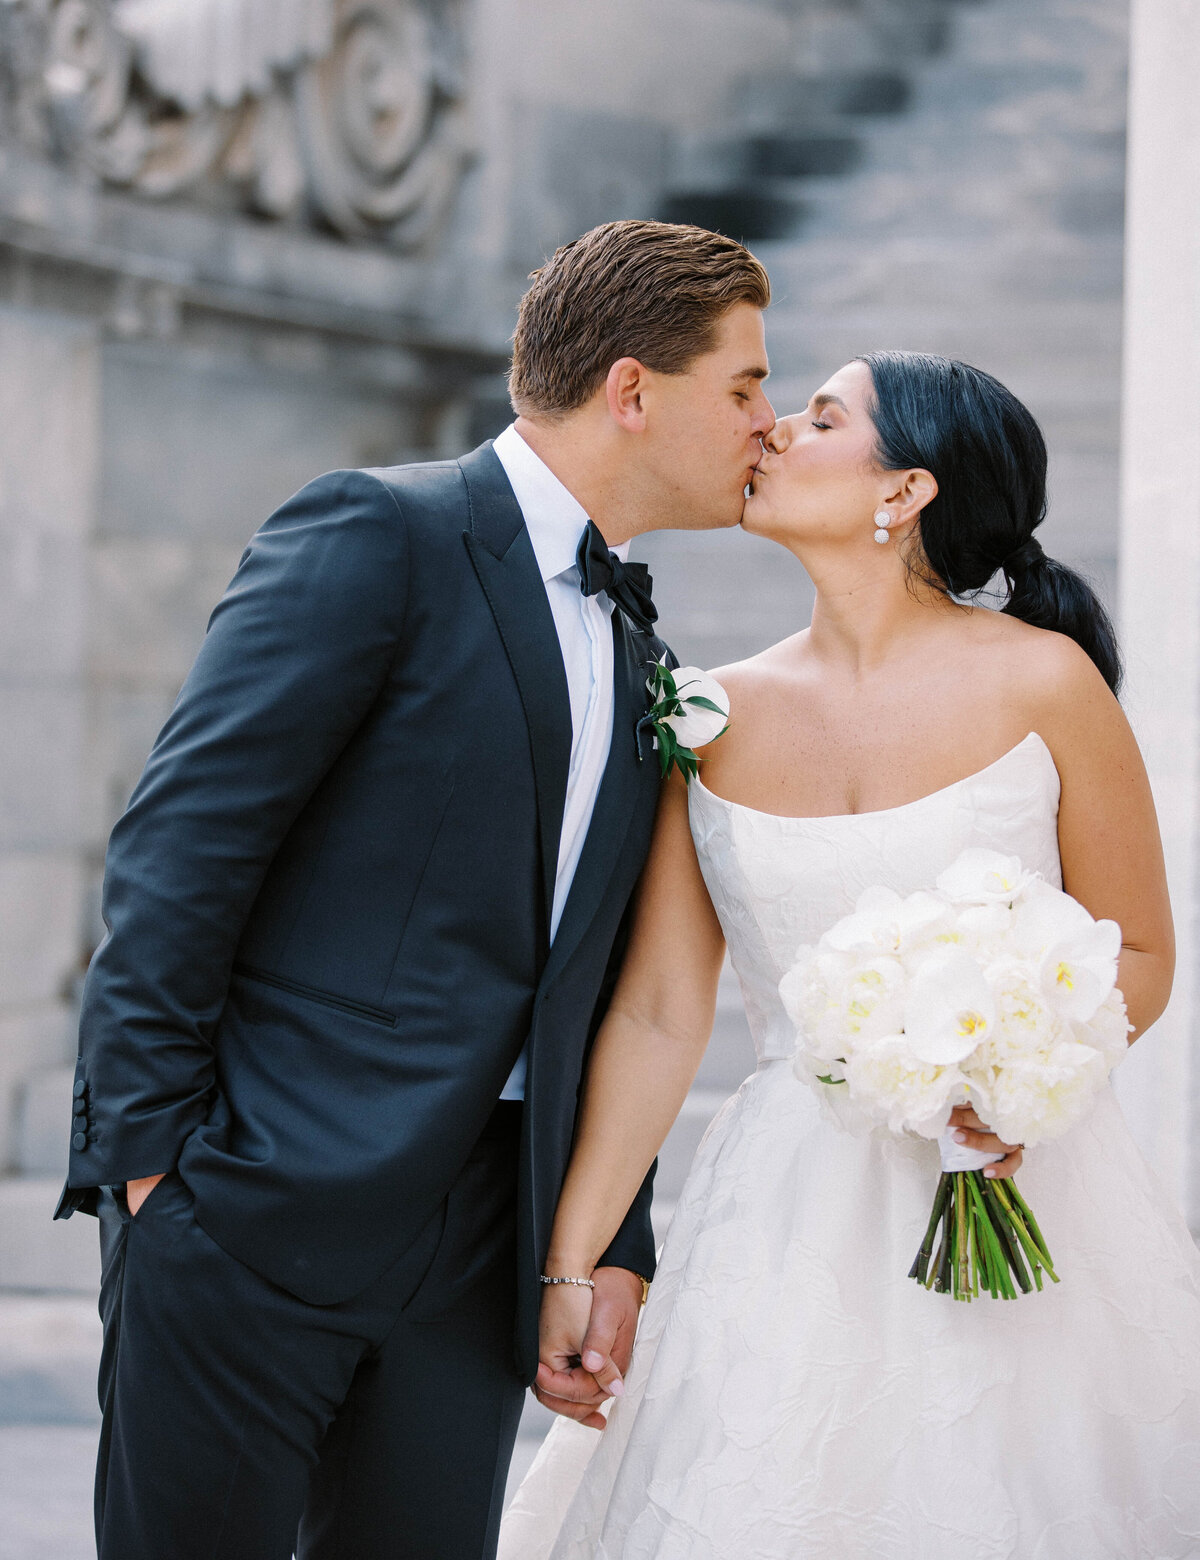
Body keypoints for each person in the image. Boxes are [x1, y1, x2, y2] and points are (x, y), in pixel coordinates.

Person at [53, 220, 776, 1560]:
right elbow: (181, 850)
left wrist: (607, 1235)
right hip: (251, 1219)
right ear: (633, 391)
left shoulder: (638, 642)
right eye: (743, 388)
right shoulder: (375, 532)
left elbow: (598, 981)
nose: (768, 426)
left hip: (477, 1257)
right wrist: (153, 1176)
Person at [500, 352, 1200, 1560]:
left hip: (1023, 1190)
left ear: (906, 490)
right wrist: (571, 1264)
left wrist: (1023, 1077)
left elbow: (1137, 947)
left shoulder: (1048, 682)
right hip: (785, 1214)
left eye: (822, 417)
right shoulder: (706, 713)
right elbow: (664, 1012)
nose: (772, 429)